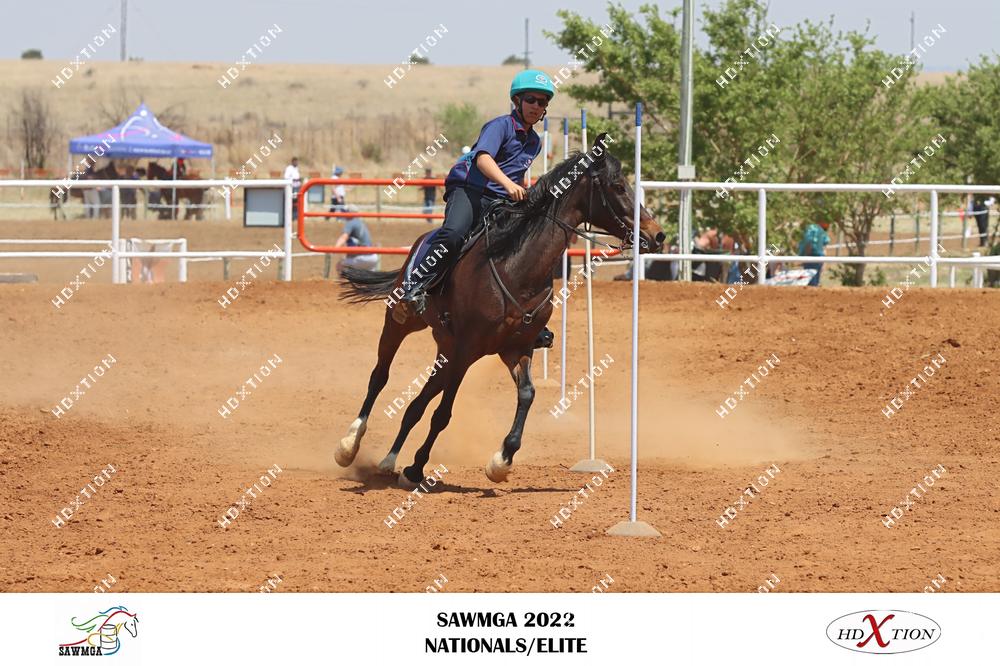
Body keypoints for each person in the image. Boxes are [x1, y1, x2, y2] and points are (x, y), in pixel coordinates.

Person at [395, 70, 556, 348]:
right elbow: (483, 159)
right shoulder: (500, 126)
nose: (536, 106)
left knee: (525, 247)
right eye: (531, 99)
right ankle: (414, 289)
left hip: (499, 200)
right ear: (517, 101)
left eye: (542, 102)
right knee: (454, 233)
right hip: (469, 191)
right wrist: (509, 185)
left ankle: (527, 317)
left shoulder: (535, 143)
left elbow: (514, 173)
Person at [335, 206, 379, 274]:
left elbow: (343, 237)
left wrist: (335, 248)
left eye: (346, 212)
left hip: (362, 258)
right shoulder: (361, 223)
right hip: (373, 258)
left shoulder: (351, 222)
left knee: (340, 266)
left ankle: (344, 281)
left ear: (350, 213)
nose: (344, 214)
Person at [798, 220, 831, 287]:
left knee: (810, 278)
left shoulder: (811, 228)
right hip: (820, 256)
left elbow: (808, 241)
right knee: (816, 278)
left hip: (811, 255)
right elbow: (826, 241)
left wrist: (805, 255)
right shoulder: (820, 229)